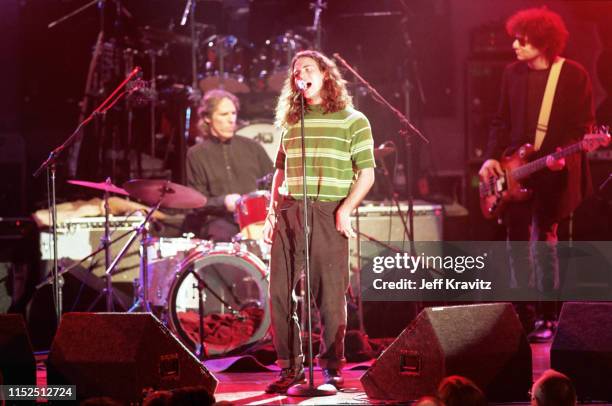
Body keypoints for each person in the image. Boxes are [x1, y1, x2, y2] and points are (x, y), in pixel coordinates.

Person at [262, 50, 375, 393]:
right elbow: (279, 171)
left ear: (325, 74)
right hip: (290, 209)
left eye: (307, 69)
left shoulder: (352, 119)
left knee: (329, 296)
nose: (300, 76)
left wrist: (346, 210)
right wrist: (271, 212)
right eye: (295, 72)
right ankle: (289, 368)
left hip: (328, 210)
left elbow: (367, 174)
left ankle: (330, 368)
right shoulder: (292, 121)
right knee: (279, 294)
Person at [479, 7, 595, 341]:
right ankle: (522, 315)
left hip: (553, 173)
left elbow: (582, 128)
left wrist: (564, 157)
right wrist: (490, 159)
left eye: (522, 40)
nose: (515, 45)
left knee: (544, 241)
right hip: (515, 170)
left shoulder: (573, 75)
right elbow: (500, 120)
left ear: (543, 43)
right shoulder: (512, 74)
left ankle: (547, 317)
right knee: (516, 244)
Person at [185, 89, 274, 242]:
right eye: (224, 114)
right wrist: (223, 202)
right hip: (220, 221)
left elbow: (273, 182)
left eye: (233, 113)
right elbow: (196, 201)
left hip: (257, 219)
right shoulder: (196, 154)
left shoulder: (253, 147)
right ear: (207, 117)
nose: (231, 119)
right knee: (221, 235)